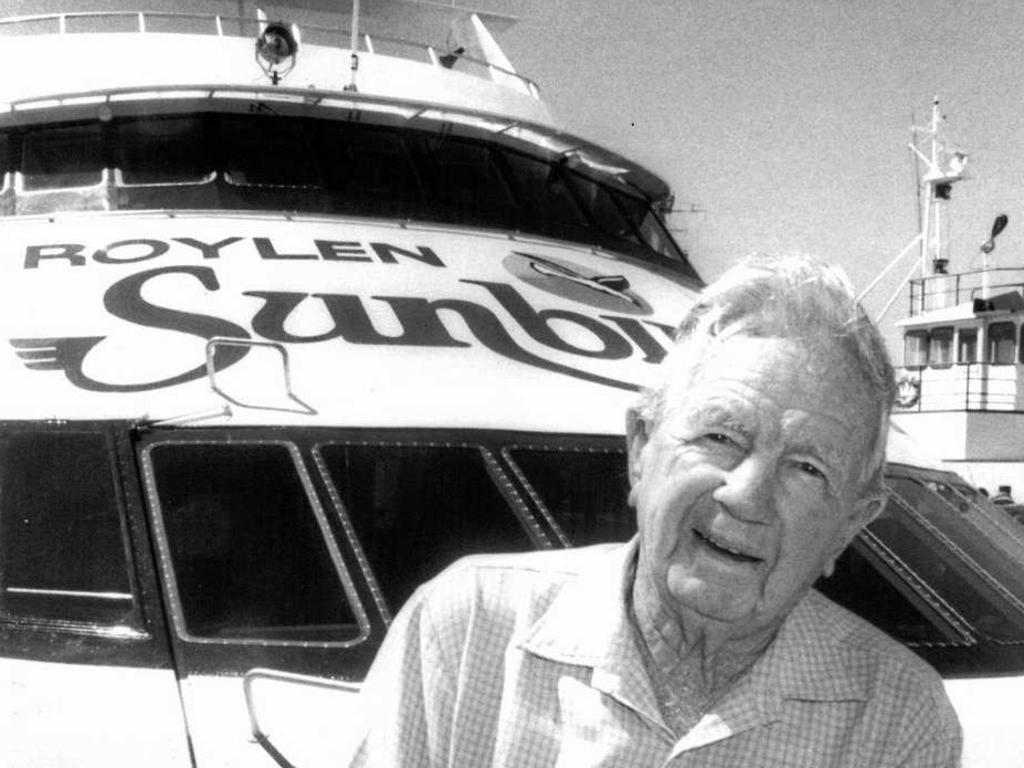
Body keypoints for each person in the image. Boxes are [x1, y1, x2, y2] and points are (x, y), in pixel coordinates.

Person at [347, 254, 962, 767]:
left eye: (808, 469)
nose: (747, 494)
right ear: (641, 450)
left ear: (848, 527)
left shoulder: (897, 720)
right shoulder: (466, 628)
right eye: (721, 437)